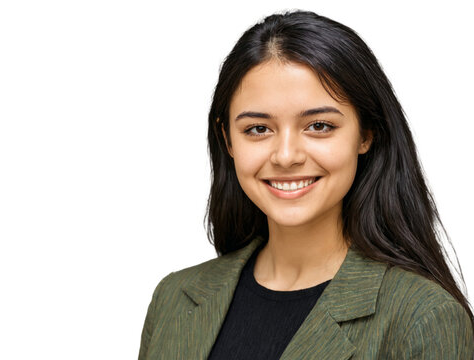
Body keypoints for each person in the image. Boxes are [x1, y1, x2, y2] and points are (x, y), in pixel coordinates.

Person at [138, 10, 474, 359]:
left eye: (319, 126)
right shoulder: (174, 299)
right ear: (228, 140)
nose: (286, 156)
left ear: (366, 133)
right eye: (258, 129)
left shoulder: (422, 316)